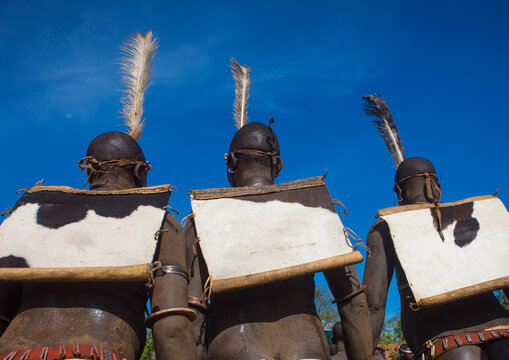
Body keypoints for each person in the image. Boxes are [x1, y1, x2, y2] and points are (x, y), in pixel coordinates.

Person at [193, 58, 372, 360]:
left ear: (231, 164)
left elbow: (184, 320)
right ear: (279, 166)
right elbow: (353, 302)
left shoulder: (201, 220)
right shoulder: (315, 209)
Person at [361, 94, 509, 360]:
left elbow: (372, 306)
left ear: (398, 191)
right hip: (503, 330)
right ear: (437, 187)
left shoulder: (385, 228)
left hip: (443, 340)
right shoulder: (472, 215)